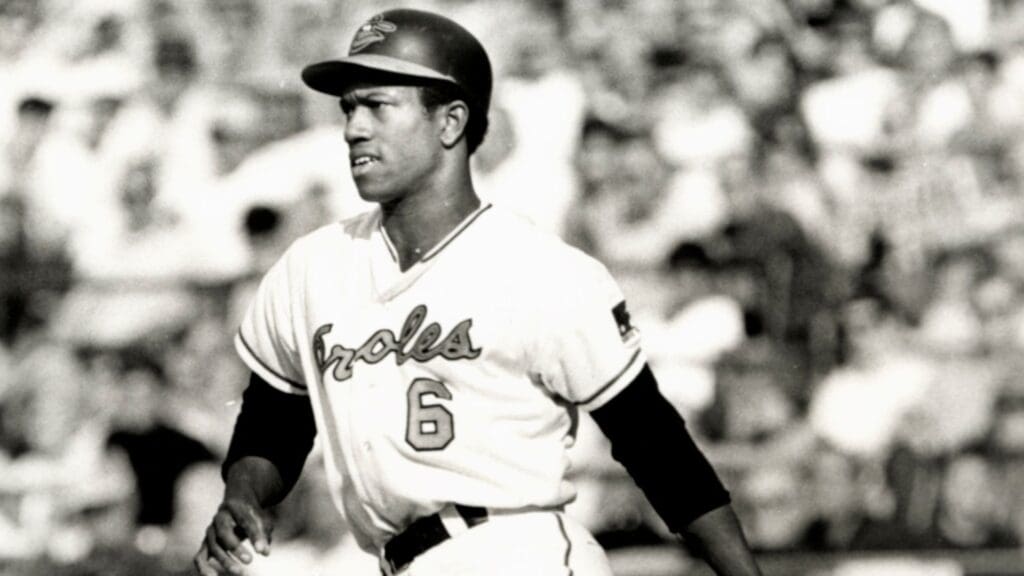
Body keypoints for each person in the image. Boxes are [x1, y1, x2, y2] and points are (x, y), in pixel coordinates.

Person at [194, 9, 763, 576]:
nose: (354, 128)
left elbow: (656, 447)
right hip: (396, 559)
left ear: (450, 122)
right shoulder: (312, 267)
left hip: (517, 549)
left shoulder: (541, 269)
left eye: (377, 106)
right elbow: (274, 421)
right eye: (349, 107)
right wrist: (243, 491)